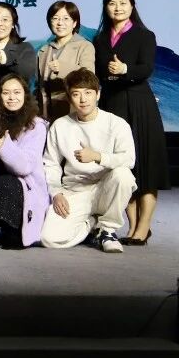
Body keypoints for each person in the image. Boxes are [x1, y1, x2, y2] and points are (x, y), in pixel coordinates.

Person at [92, 0, 169, 245]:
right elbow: (98, 73)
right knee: (123, 168)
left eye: (123, 3)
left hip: (139, 104)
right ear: (106, 7)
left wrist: (126, 69)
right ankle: (134, 227)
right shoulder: (100, 39)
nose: (118, 8)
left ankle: (143, 228)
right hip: (112, 106)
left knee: (146, 168)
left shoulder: (144, 35)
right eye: (112, 3)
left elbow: (147, 68)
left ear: (132, 6)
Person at [40, 68, 136, 253]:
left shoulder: (116, 123)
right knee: (49, 239)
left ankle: (107, 230)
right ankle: (92, 226)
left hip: (105, 188)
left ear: (98, 94)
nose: (83, 99)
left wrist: (97, 157)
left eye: (88, 93)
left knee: (123, 175)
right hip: (75, 190)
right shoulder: (60, 125)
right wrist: (56, 193)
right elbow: (50, 164)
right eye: (76, 94)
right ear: (70, 98)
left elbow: (128, 159)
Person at [0, 74, 49, 249]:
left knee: (8, 182)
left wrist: (5, 147)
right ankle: (4, 226)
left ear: (25, 95)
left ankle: (14, 229)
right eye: (6, 93)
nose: (12, 97)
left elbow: (24, 167)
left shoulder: (36, 126)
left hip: (24, 191)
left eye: (17, 92)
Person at [36, 0, 95, 122]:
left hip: (74, 110)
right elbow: (40, 86)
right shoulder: (44, 50)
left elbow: (89, 76)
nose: (60, 23)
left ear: (74, 23)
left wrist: (62, 68)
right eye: (55, 18)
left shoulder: (84, 46)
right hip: (47, 112)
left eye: (66, 19)